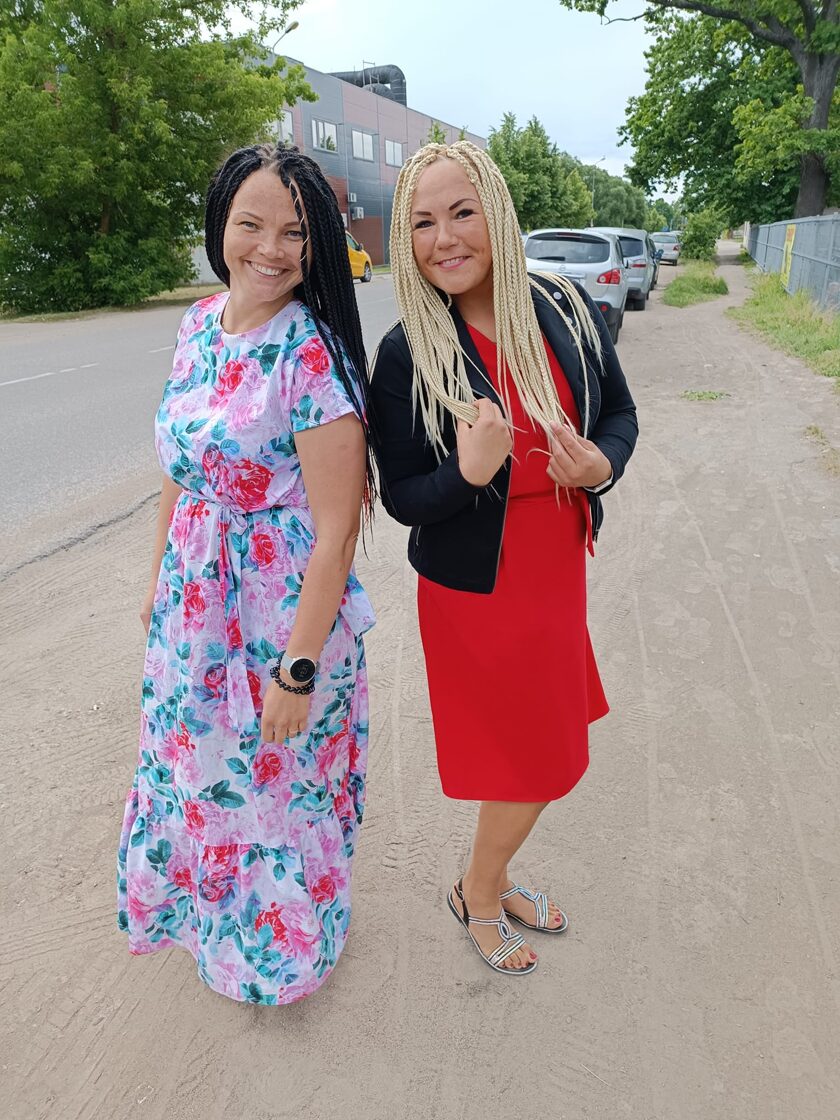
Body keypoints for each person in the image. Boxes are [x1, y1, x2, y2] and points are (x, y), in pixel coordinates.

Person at [370, 141, 637, 976]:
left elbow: (620, 415)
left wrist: (599, 467)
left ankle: (489, 878)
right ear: (404, 238)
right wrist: (468, 473)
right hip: (477, 591)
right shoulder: (407, 352)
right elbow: (402, 497)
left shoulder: (563, 308)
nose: (444, 238)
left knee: (541, 747)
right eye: (422, 222)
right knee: (538, 758)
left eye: (462, 213)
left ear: (497, 214)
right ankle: (479, 893)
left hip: (555, 568)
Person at [117, 143, 375, 1004]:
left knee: (275, 788)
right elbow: (180, 468)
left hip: (277, 618)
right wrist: (158, 580)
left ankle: (282, 959)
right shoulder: (199, 323)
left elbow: (337, 533)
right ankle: (208, 933)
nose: (270, 249)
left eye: (294, 232)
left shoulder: (311, 356)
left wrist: (297, 671)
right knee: (197, 773)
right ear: (220, 225)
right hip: (193, 608)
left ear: (318, 245)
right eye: (251, 224)